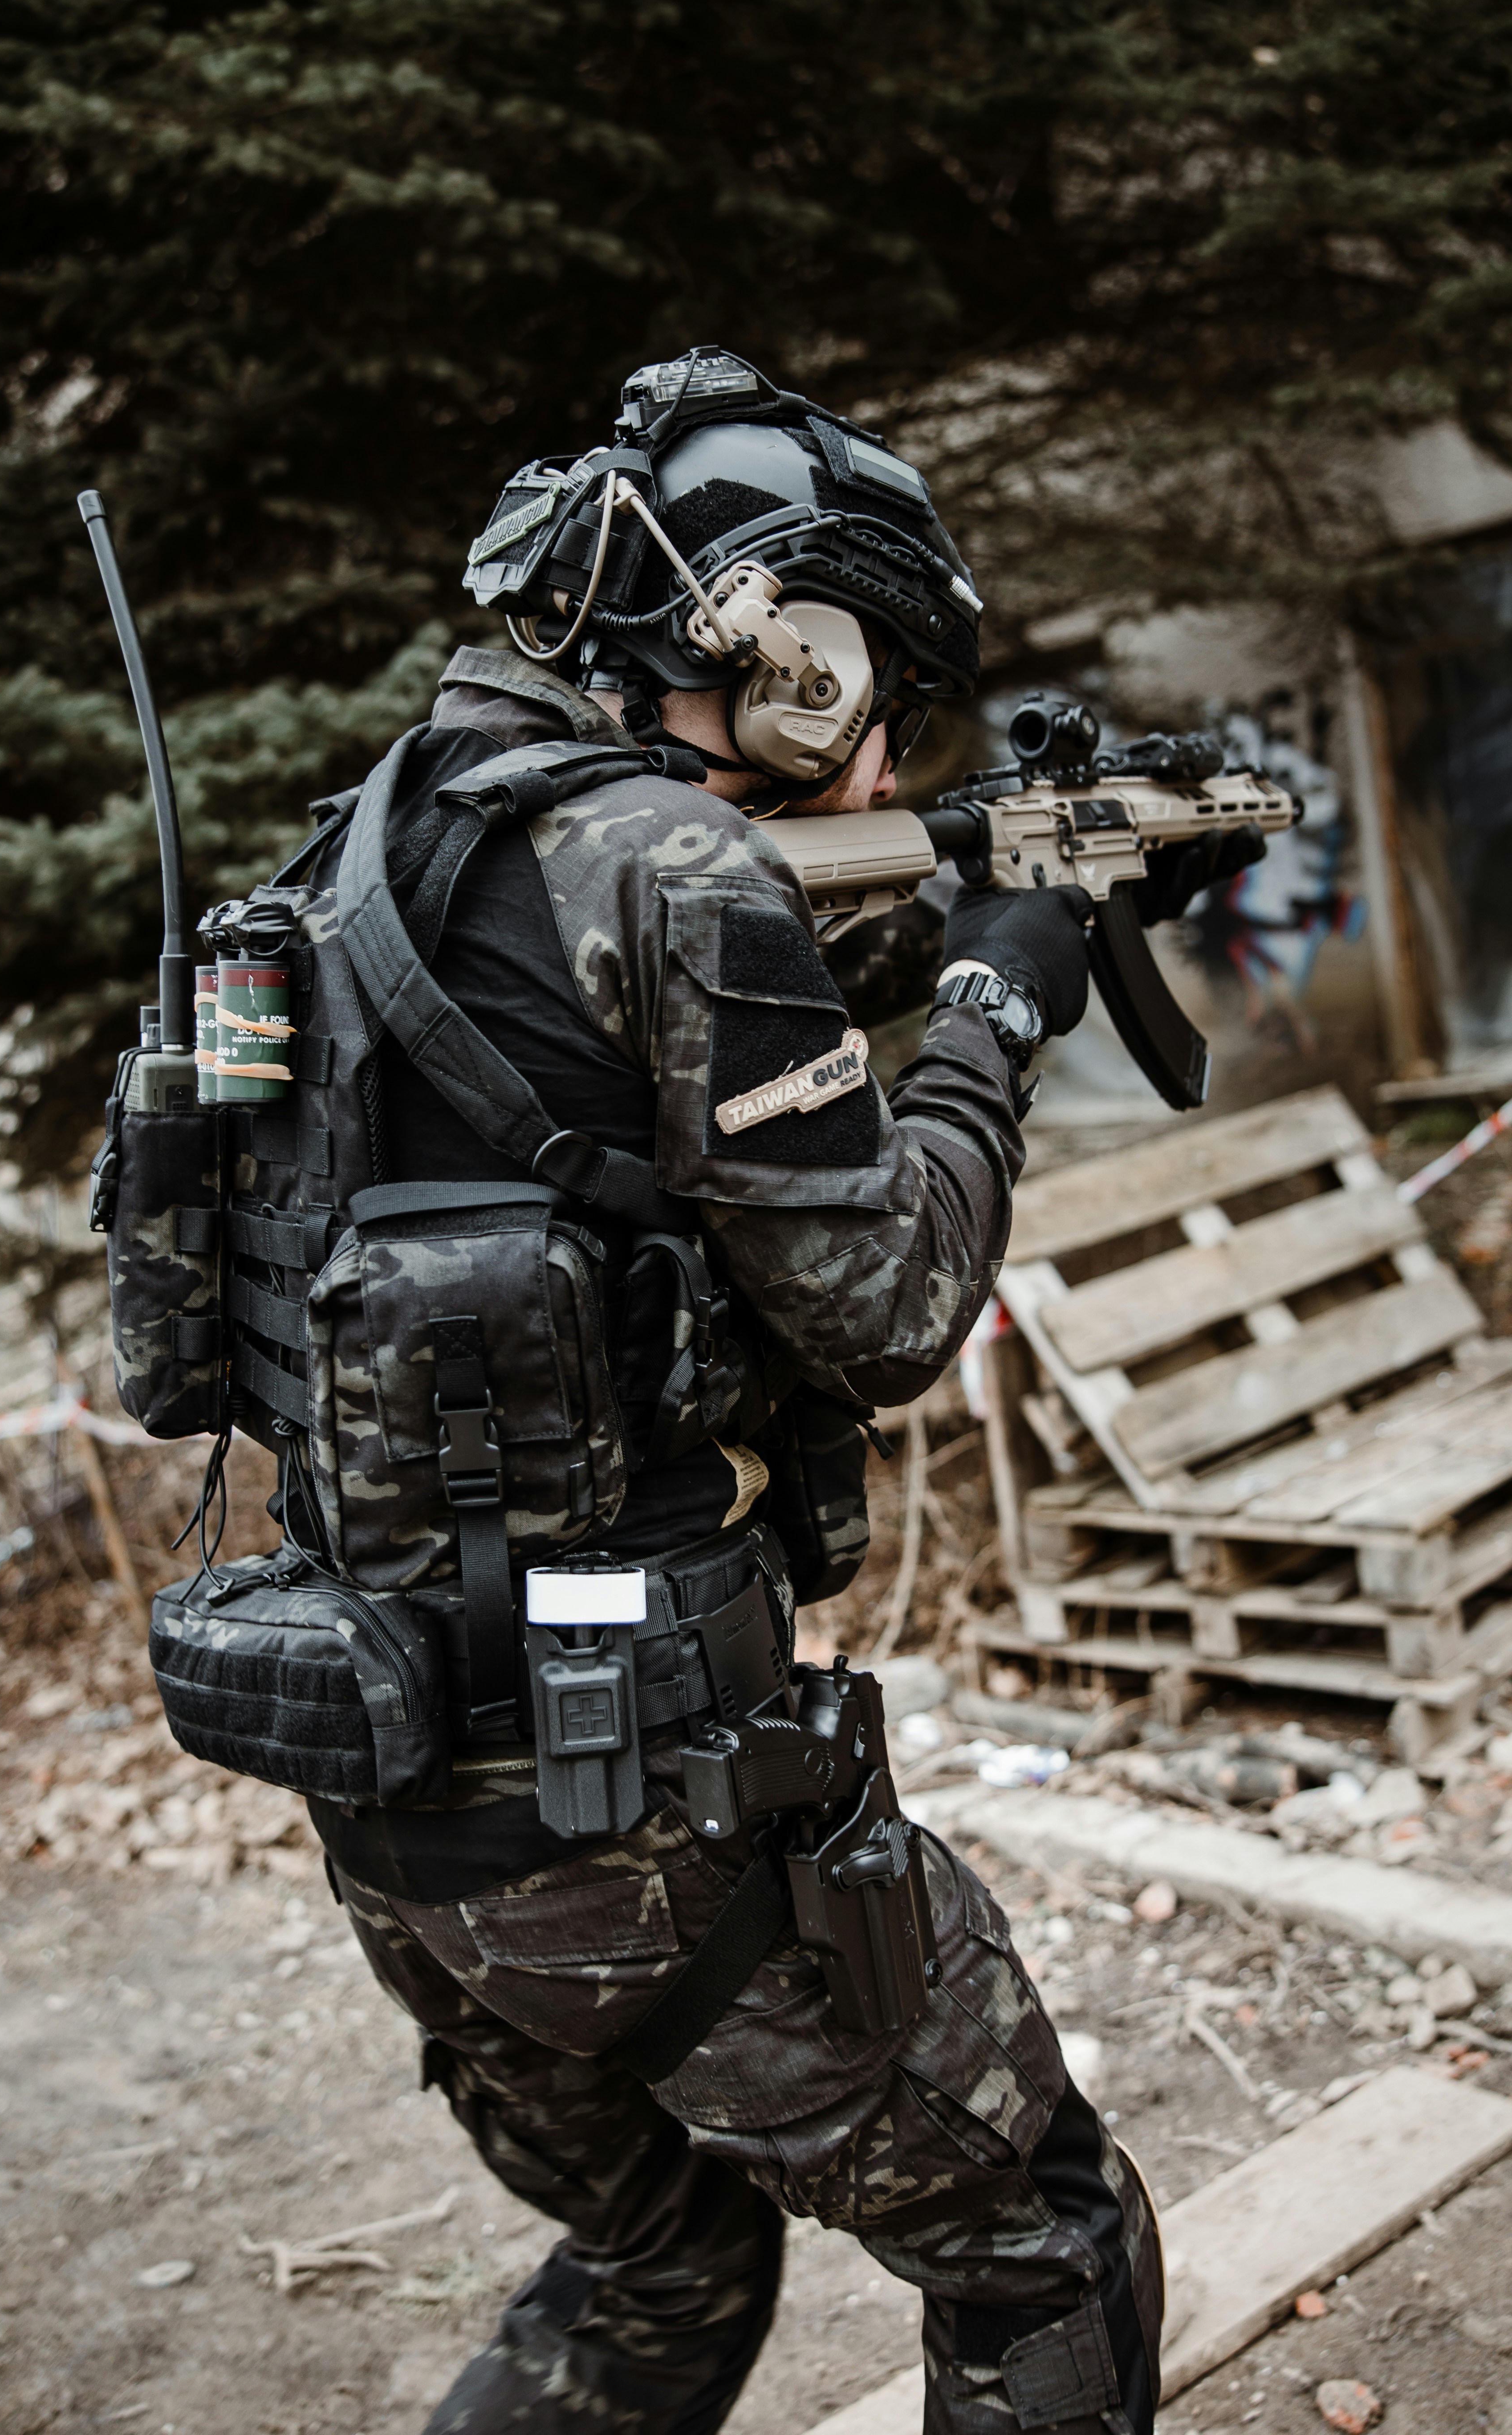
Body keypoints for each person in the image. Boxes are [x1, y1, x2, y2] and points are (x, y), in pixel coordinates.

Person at [295, 349, 1162, 2434]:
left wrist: (995, 892)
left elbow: (599, 1102)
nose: (880, 770)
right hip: (646, 1810)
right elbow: (885, 1308)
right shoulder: (680, 875)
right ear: (786, 663)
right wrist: (994, 1001)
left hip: (388, 1775)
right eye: (880, 706)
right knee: (1046, 2251)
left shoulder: (370, 853)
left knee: (663, 2258)